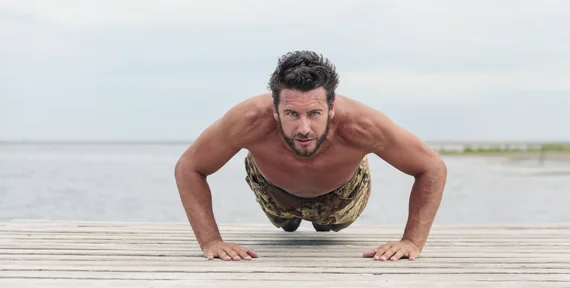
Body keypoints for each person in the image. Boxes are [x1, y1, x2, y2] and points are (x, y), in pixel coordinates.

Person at [175, 51, 447, 262]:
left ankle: (322, 221)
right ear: (275, 110)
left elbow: (432, 167)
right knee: (285, 223)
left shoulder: (363, 126)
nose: (304, 128)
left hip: (341, 195)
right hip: (274, 192)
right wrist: (210, 241)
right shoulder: (247, 121)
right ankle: (289, 219)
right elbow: (189, 167)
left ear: (331, 109)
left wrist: (412, 241)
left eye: (314, 114)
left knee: (329, 226)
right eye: (292, 114)